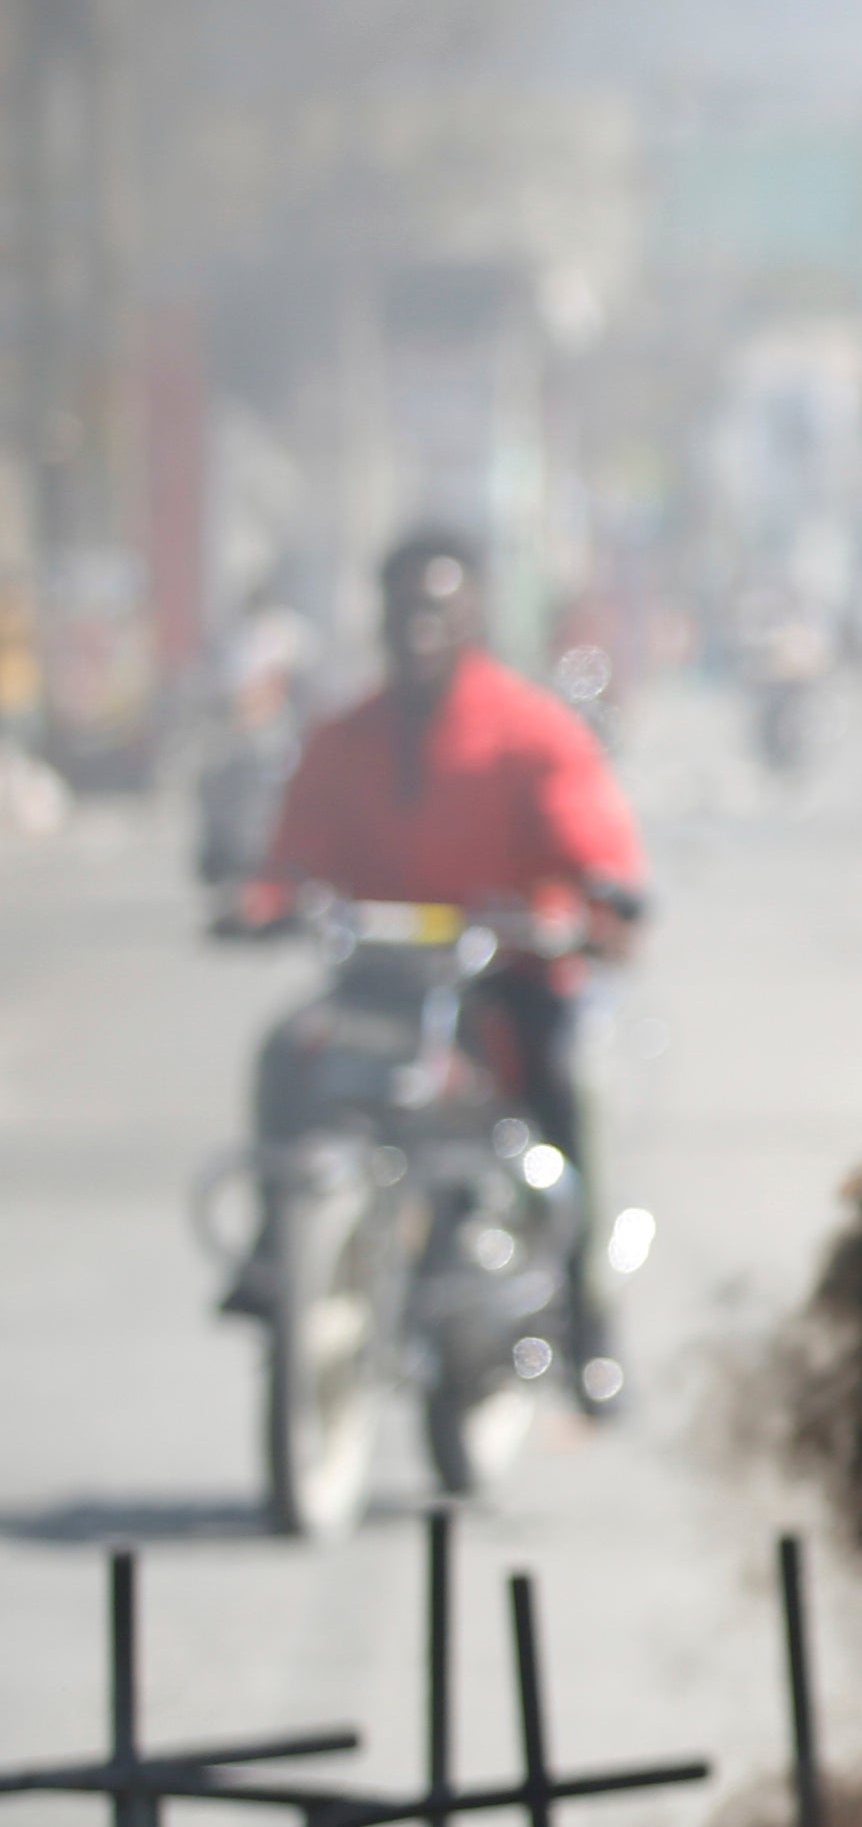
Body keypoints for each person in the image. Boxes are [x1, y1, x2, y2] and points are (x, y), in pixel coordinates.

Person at [243, 528, 650, 1406]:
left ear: (473, 613)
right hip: (382, 980)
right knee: (285, 1054)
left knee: (565, 1097)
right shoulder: (345, 738)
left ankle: (588, 1322)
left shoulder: (531, 732)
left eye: (439, 604)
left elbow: (594, 848)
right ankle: (277, 1254)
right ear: (380, 617)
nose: (419, 624)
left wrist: (595, 908)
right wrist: (266, 902)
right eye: (404, 606)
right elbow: (294, 853)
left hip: (506, 979)